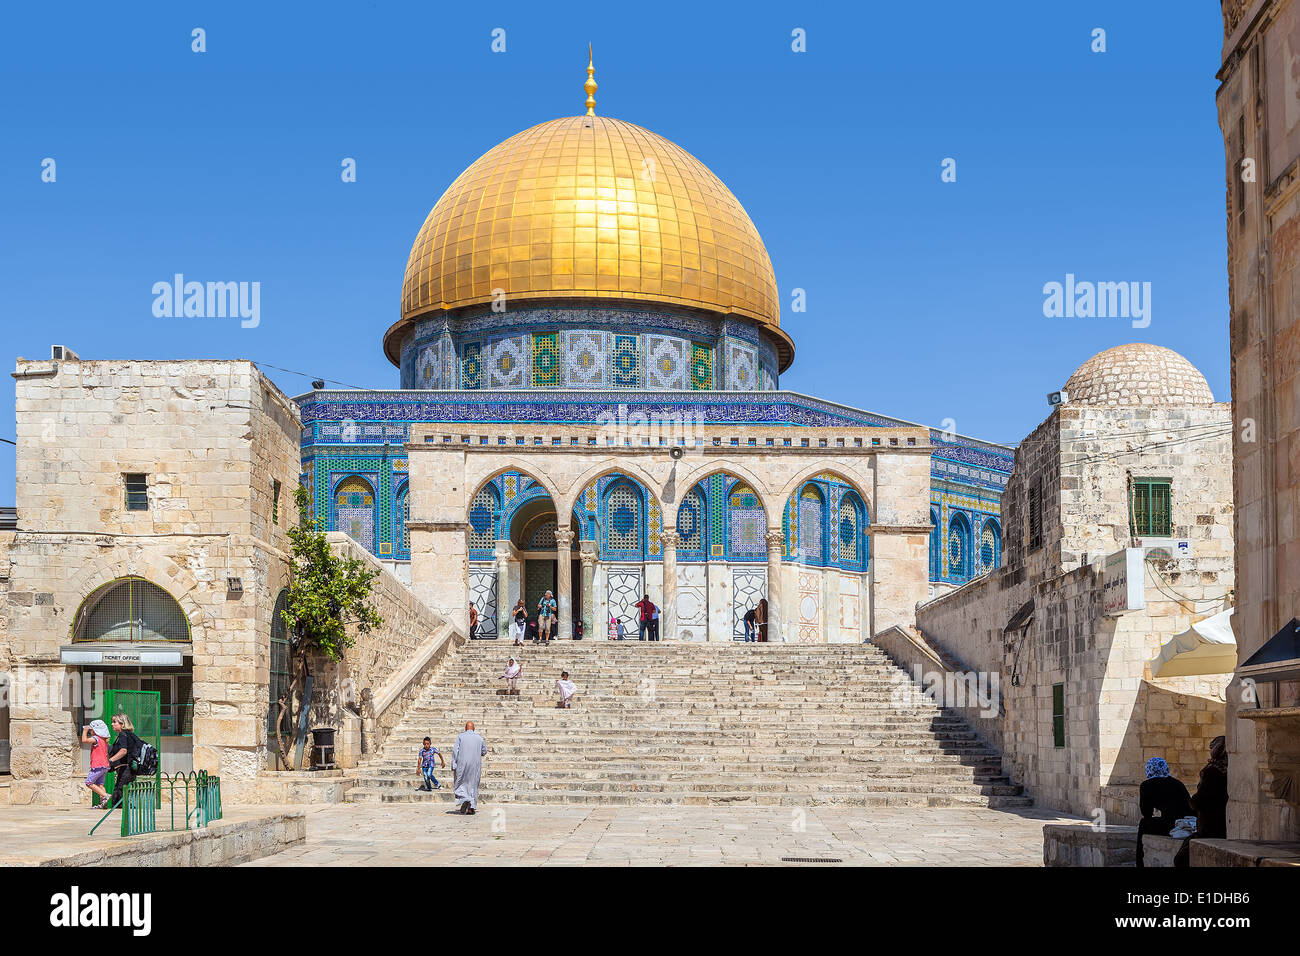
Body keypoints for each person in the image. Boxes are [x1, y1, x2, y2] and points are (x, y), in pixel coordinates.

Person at [1136, 756, 1192, 867]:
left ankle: (1140, 862)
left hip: (1171, 825)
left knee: (1143, 824)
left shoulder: (1147, 785)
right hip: (1187, 823)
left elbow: (1146, 813)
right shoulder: (1177, 783)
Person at [105, 714, 143, 810]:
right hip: (129, 769)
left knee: (119, 794)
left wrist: (110, 760)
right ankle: (124, 815)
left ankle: (123, 819)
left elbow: (123, 751)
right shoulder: (129, 734)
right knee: (121, 793)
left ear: (122, 724)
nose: (112, 724)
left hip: (127, 769)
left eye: (114, 722)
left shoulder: (123, 734)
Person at [452, 721, 487, 815]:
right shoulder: (479, 738)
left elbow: (455, 751)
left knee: (462, 784)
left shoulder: (460, 737)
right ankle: (471, 807)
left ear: (465, 728)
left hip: (462, 765)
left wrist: (454, 764)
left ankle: (465, 801)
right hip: (475, 766)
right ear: (473, 728)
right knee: (473, 785)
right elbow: (484, 751)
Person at [80, 719, 111, 808]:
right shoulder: (104, 740)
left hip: (98, 765)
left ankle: (105, 796)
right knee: (100, 785)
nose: (90, 731)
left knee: (89, 782)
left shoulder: (96, 738)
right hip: (105, 765)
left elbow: (84, 740)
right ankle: (103, 804)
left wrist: (85, 731)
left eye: (91, 729)